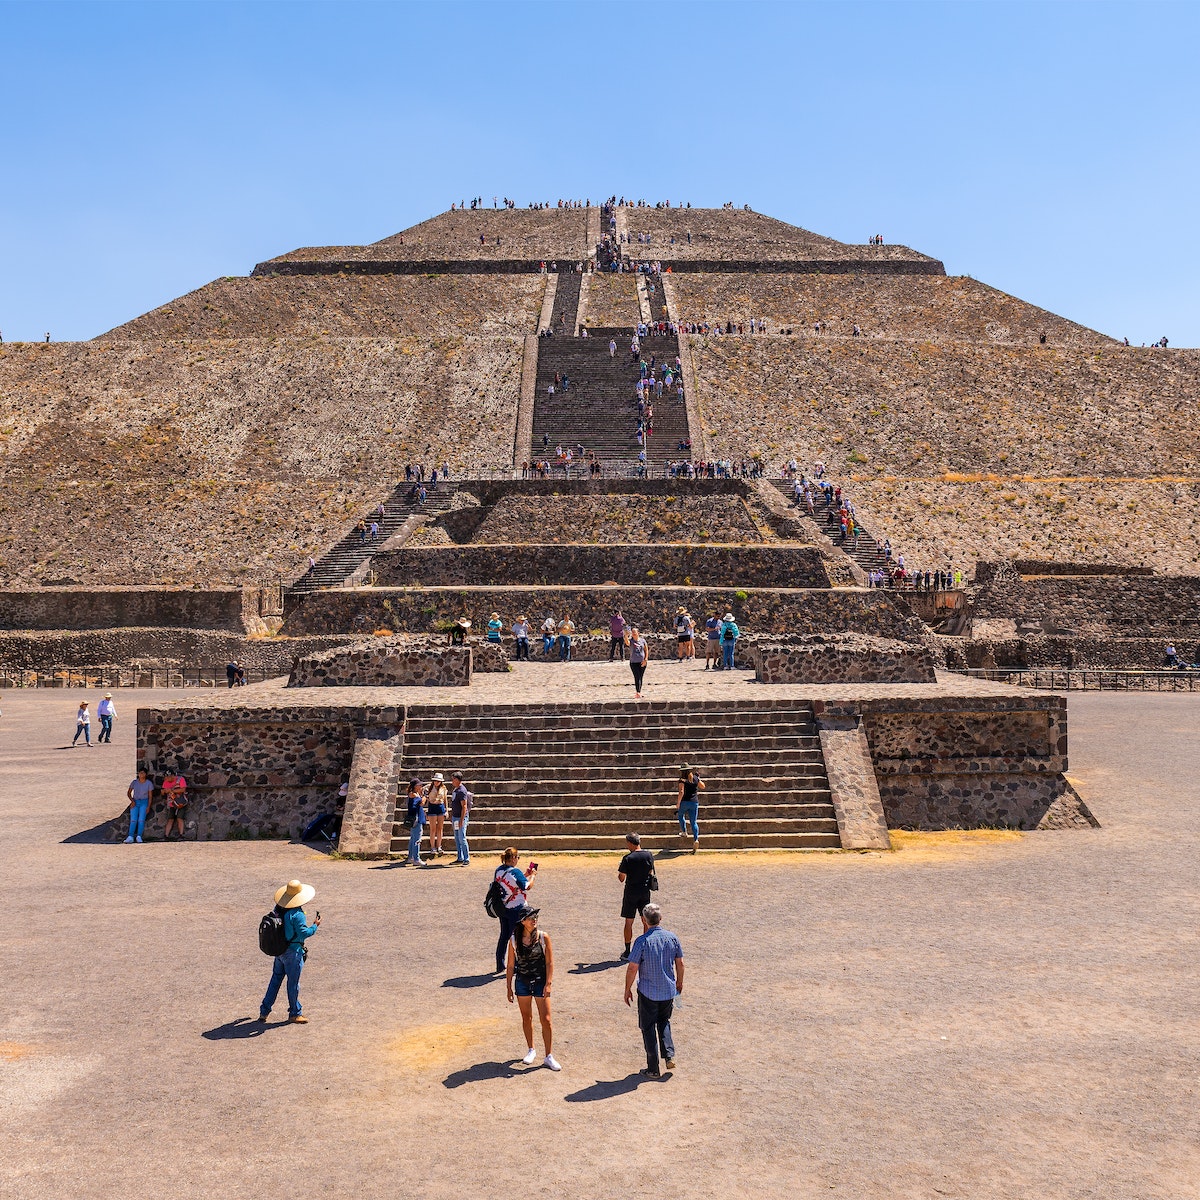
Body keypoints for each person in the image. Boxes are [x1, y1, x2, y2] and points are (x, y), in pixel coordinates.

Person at [624, 902, 684, 1077]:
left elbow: (632, 968)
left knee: (648, 1026)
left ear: (644, 920)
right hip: (668, 990)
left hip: (648, 992)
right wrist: (679, 983)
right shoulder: (672, 938)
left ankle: (653, 1068)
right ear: (660, 919)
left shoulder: (642, 942)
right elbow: (680, 963)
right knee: (664, 1021)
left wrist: (627, 989)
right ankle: (669, 1055)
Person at [257, 879, 321, 1024]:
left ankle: (264, 1011)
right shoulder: (297, 914)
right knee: (293, 984)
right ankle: (295, 1013)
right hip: (293, 953)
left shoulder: (278, 908)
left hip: (279, 951)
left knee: (275, 980)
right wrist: (315, 926)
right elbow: (304, 933)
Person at [506, 905, 560, 1070]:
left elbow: (550, 962)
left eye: (535, 917)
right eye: (531, 917)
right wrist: (508, 987)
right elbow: (510, 966)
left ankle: (549, 1056)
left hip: (540, 982)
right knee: (526, 1017)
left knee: (546, 1019)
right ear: (523, 922)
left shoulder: (544, 937)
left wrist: (548, 983)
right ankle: (531, 1049)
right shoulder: (514, 940)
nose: (534, 919)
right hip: (522, 982)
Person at [494, 847, 537, 973]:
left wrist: (525, 875)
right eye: (517, 857)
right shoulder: (516, 872)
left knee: (504, 936)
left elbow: (510, 882)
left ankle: (500, 963)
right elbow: (526, 886)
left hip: (503, 908)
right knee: (519, 937)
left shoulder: (498, 871)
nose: (517, 859)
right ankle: (519, 965)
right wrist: (532, 876)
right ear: (513, 858)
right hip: (517, 909)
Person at [617, 833, 656, 960]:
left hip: (631, 892)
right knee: (645, 920)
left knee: (629, 922)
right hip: (644, 891)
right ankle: (645, 949)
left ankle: (628, 951)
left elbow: (621, 878)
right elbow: (650, 872)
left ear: (630, 843)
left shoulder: (628, 858)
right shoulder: (649, 855)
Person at [676, 765, 705, 853]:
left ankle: (684, 831)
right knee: (693, 822)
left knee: (680, 815)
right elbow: (703, 786)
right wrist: (698, 778)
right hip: (694, 802)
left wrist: (678, 803)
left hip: (685, 802)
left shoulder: (682, 780)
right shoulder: (695, 778)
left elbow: (681, 792)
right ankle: (696, 839)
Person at [125, 769, 154, 843]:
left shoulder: (148, 783)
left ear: (145, 774)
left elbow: (150, 796)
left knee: (141, 820)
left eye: (142, 773)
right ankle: (130, 836)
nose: (141, 774)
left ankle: (139, 836)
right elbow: (129, 793)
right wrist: (132, 801)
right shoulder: (134, 782)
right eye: (140, 773)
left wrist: (148, 806)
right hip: (135, 801)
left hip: (144, 802)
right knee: (133, 819)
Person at [451, 771, 472, 864]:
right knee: (457, 837)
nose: (452, 781)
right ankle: (460, 857)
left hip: (460, 818)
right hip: (455, 817)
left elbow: (464, 806)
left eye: (453, 779)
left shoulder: (462, 791)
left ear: (457, 780)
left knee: (462, 837)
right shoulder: (456, 790)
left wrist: (462, 820)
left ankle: (466, 858)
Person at [404, 778, 427, 865]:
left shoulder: (415, 794)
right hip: (416, 819)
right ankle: (416, 859)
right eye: (419, 785)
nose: (421, 786)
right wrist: (424, 796)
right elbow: (421, 803)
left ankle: (411, 857)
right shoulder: (413, 795)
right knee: (417, 839)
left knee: (413, 838)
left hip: (416, 818)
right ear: (414, 786)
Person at [426, 772, 449, 857]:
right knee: (433, 829)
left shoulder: (443, 788)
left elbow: (445, 799)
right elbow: (422, 793)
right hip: (432, 807)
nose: (437, 782)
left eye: (438, 781)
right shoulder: (429, 787)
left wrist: (447, 810)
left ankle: (439, 846)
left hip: (440, 807)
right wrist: (429, 800)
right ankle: (432, 847)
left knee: (440, 828)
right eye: (435, 781)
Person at [162, 771, 188, 840]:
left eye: (168, 777)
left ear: (172, 776)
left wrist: (171, 790)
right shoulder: (166, 782)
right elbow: (163, 792)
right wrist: (164, 791)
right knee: (170, 819)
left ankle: (181, 835)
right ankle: (166, 835)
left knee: (180, 818)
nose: (167, 779)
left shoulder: (180, 779)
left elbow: (183, 789)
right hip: (171, 803)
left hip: (180, 802)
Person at [628, 626, 649, 698]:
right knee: (637, 676)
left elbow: (646, 650)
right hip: (633, 662)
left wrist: (645, 659)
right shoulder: (631, 641)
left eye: (634, 632)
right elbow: (627, 642)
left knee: (640, 677)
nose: (633, 633)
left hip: (642, 662)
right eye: (632, 632)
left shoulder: (643, 641)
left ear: (638, 633)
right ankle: (638, 692)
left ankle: (639, 691)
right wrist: (625, 635)